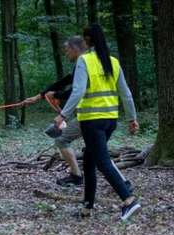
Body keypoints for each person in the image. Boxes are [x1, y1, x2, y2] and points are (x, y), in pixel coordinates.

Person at [25, 37, 133, 193]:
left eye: (67, 50)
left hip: (92, 117)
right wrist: (39, 96)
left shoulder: (84, 63)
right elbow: (66, 81)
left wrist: (60, 108)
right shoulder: (92, 62)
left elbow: (76, 91)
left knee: (64, 140)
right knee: (96, 150)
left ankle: (80, 177)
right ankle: (116, 184)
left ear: (75, 49)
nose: (66, 53)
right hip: (104, 117)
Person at [55, 24, 141, 221]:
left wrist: (63, 116)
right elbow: (126, 94)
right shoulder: (113, 62)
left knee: (101, 162)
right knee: (89, 161)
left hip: (92, 121)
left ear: (87, 41)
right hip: (110, 121)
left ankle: (128, 200)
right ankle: (87, 208)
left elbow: (78, 91)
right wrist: (132, 118)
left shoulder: (84, 61)